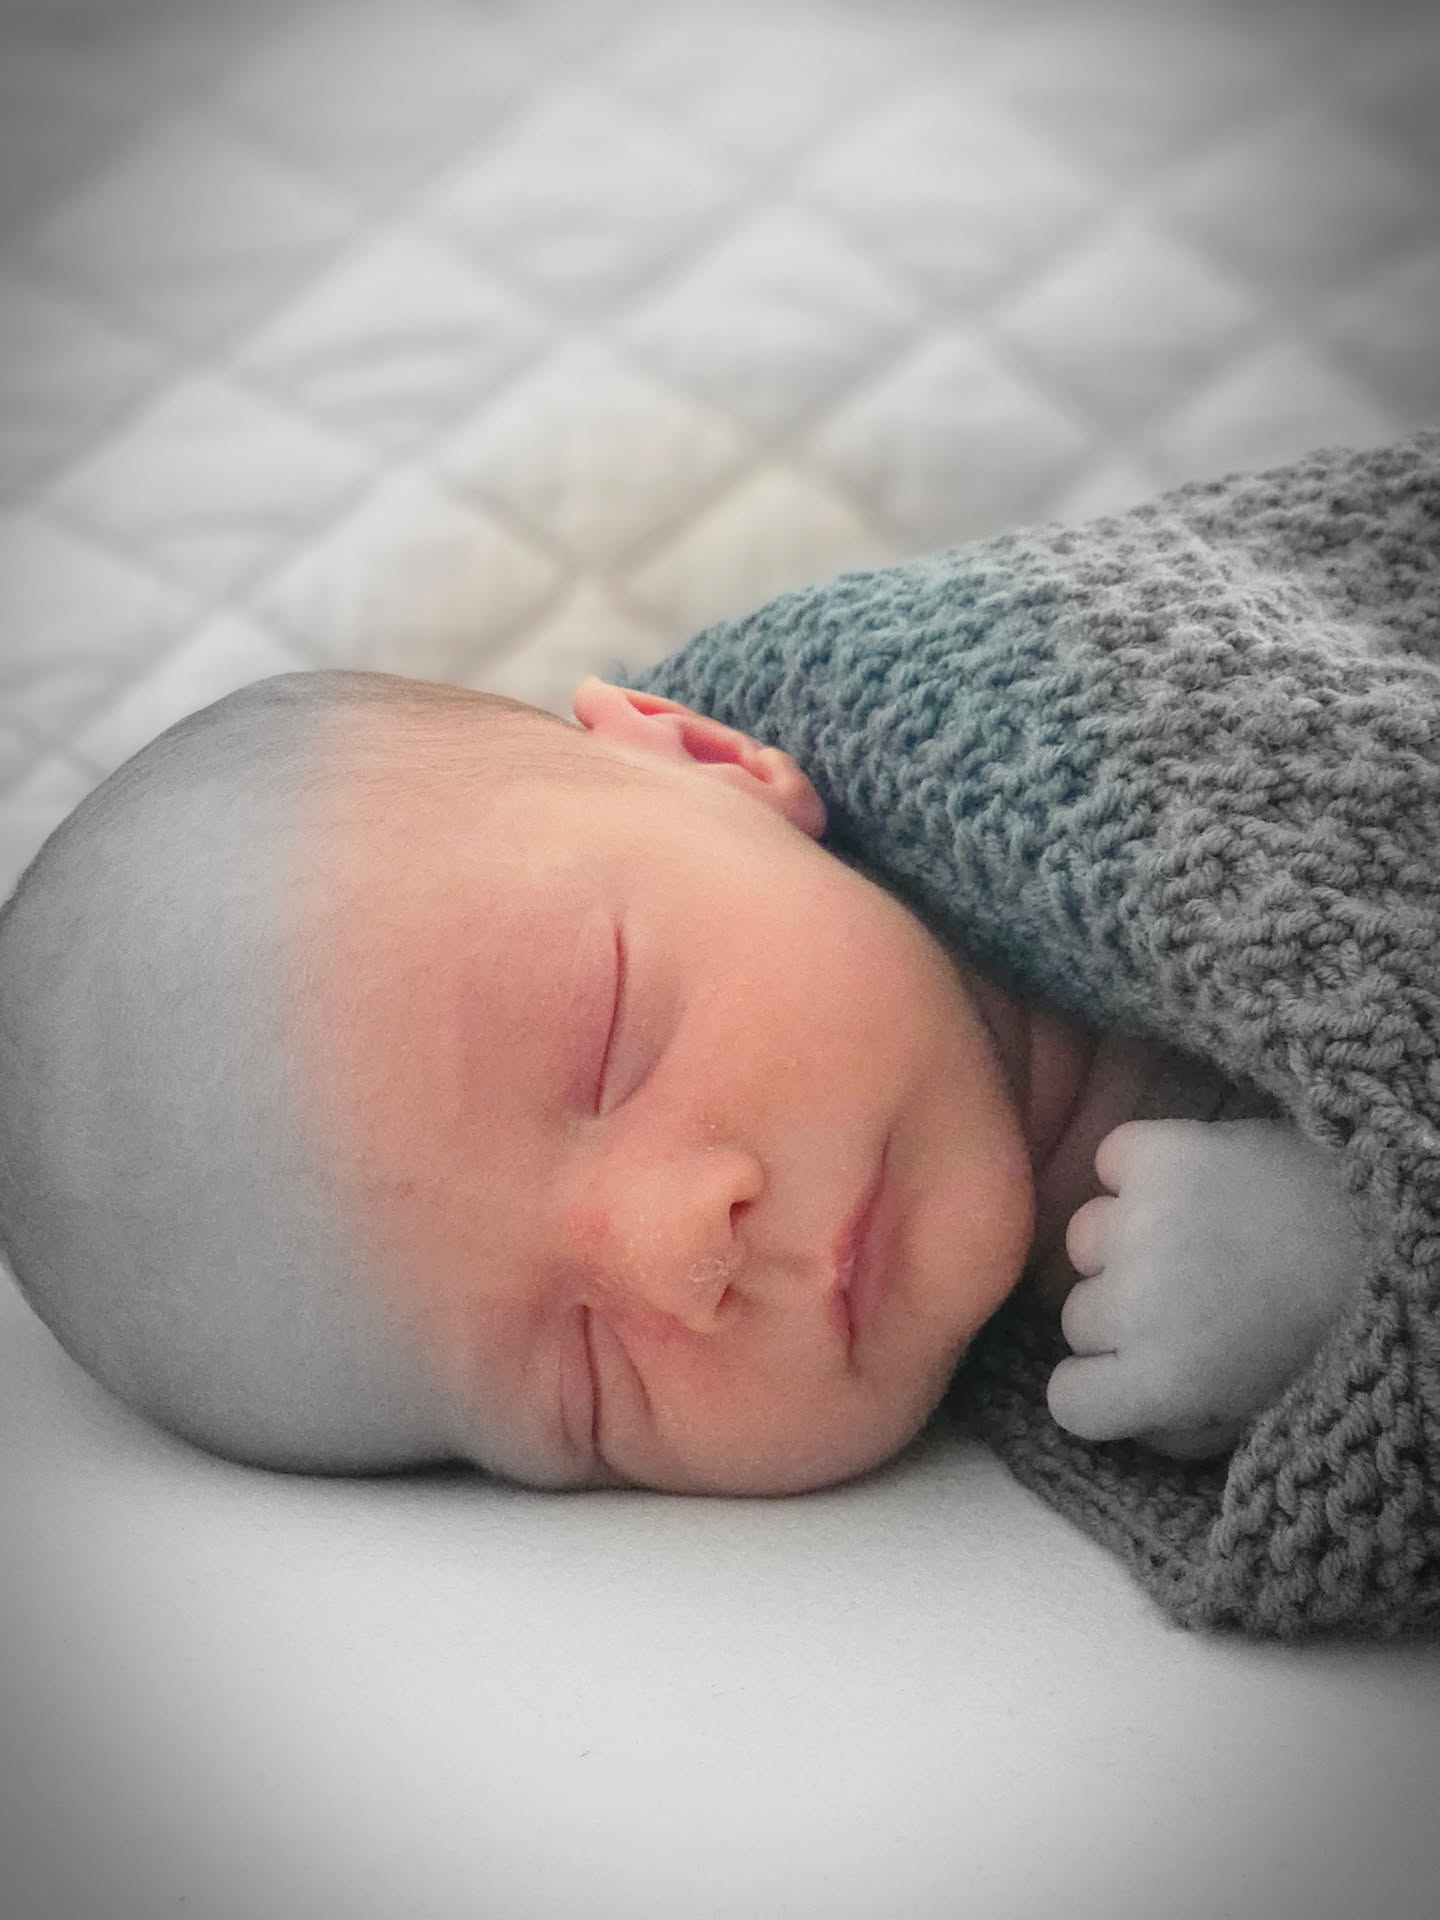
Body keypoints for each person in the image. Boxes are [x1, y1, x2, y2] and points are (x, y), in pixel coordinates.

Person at [0, 665, 1369, 1496]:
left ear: (711, 760)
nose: (680, 1254)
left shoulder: (1107, 733)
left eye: (609, 1042)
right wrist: (1331, 1344)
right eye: (583, 1385)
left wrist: (1358, 1231)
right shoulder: (1109, 1343)